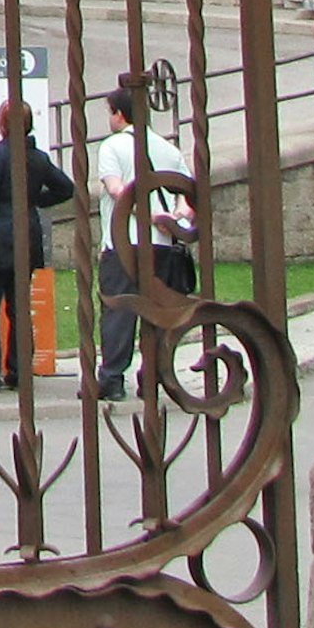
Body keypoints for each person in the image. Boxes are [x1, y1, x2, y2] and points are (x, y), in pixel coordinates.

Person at [93, 76, 198, 398]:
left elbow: (116, 190)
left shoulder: (112, 146)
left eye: (110, 112)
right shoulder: (167, 148)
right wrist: (173, 218)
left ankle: (111, 379)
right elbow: (188, 197)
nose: (109, 118)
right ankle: (151, 376)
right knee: (158, 311)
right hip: (163, 244)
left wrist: (145, 215)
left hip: (125, 242)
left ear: (120, 115)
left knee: (119, 309)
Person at [0, 99, 77, 389]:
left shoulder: (0, 155)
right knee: (19, 309)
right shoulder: (37, 157)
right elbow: (65, 188)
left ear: (2, 125)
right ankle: (18, 371)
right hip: (26, 236)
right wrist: (36, 200)